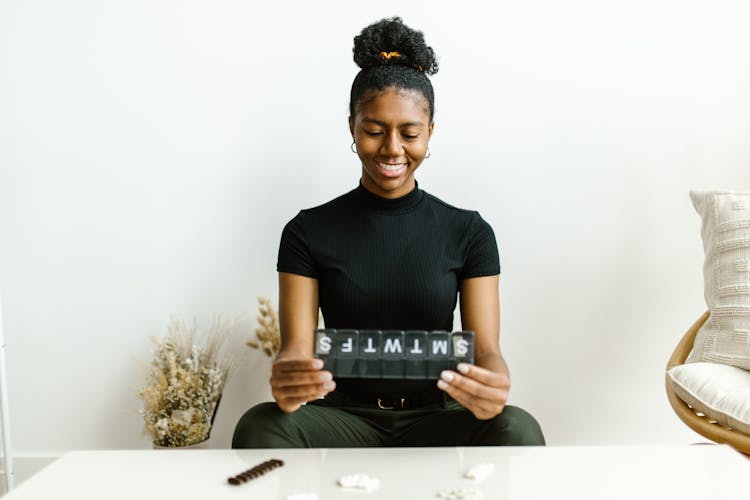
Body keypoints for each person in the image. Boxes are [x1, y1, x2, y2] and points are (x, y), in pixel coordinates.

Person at [232, 17, 544, 448]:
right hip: (342, 417)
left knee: (519, 427)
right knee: (259, 425)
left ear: (430, 131)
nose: (392, 149)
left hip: (438, 415)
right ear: (352, 128)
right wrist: (290, 377)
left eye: (410, 133)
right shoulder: (307, 231)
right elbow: (296, 349)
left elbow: (486, 350)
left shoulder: (469, 231)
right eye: (374, 131)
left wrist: (494, 381)